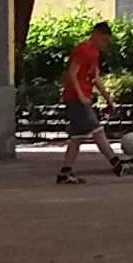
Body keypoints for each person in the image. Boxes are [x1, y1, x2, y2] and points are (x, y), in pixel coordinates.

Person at [52, 22, 112, 184]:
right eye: (103, 40)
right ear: (95, 34)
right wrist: (80, 96)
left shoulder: (95, 53)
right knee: (97, 130)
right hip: (75, 98)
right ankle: (116, 163)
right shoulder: (82, 50)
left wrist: (108, 98)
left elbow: (95, 78)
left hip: (83, 97)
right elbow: (72, 74)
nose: (104, 44)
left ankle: (65, 172)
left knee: (77, 138)